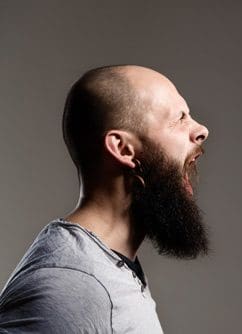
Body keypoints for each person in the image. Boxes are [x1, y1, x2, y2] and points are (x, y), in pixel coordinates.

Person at [0, 65, 210, 333]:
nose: (201, 130)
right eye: (180, 118)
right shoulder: (71, 287)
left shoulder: (110, 269)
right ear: (123, 149)